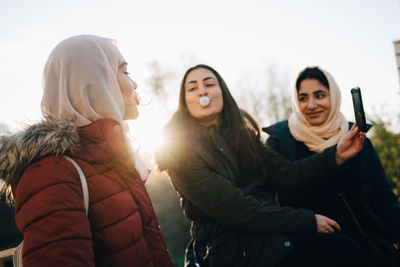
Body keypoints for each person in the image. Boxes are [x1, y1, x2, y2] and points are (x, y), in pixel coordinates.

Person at [155, 64, 369, 267]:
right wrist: (307, 220)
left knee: (348, 249)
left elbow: (287, 172)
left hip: (266, 237)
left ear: (223, 92)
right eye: (192, 88)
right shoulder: (180, 151)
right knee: (343, 253)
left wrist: (337, 155)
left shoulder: (242, 136)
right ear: (184, 100)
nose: (202, 92)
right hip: (227, 250)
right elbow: (236, 209)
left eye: (210, 84)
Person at [0, 35, 173, 266]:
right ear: (94, 81)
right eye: (125, 72)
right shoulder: (51, 173)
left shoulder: (113, 160)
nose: (135, 84)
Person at [264, 66, 400, 267]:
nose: (311, 105)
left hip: (367, 246)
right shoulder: (279, 141)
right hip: (309, 251)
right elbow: (268, 203)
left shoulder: (356, 137)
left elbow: (383, 197)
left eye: (319, 95)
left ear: (334, 96)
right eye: (303, 98)